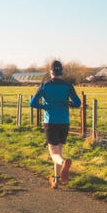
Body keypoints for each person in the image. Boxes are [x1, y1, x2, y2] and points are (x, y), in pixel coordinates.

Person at [29, 60, 81, 189]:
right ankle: (56, 181)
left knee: (54, 153)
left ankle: (63, 163)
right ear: (61, 72)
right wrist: (69, 104)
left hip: (50, 121)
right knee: (59, 151)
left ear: (50, 72)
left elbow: (32, 103)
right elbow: (78, 103)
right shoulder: (68, 86)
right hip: (64, 121)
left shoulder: (44, 85)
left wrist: (44, 106)